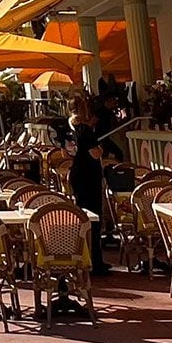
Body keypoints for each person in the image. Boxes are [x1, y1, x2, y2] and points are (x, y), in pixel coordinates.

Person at [69, 109, 111, 276]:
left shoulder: (70, 130)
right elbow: (95, 153)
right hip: (89, 177)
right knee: (93, 218)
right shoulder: (86, 132)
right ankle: (94, 261)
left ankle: (87, 257)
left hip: (78, 174)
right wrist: (101, 149)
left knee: (83, 215)